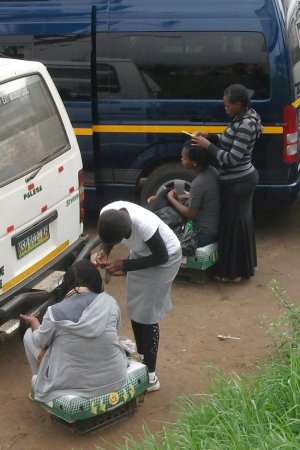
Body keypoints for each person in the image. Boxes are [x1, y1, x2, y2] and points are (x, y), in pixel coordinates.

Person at [96, 201, 182, 392]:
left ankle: (151, 377)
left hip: (166, 259)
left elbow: (162, 257)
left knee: (148, 314)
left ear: (125, 235)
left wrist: (125, 266)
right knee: (136, 309)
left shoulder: (144, 226)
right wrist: (104, 250)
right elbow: (109, 237)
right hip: (142, 254)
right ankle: (143, 360)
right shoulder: (108, 213)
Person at [21, 260, 128, 403]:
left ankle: (37, 384)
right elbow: (114, 332)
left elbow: (40, 341)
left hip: (71, 384)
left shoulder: (54, 312)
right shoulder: (109, 302)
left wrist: (35, 324)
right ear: (96, 280)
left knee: (29, 336)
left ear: (67, 283)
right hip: (115, 377)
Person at [190, 83, 262, 282]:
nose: (226, 109)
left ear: (239, 104)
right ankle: (244, 266)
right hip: (242, 179)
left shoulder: (246, 124)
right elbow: (231, 139)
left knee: (233, 226)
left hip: (238, 182)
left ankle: (233, 273)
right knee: (240, 223)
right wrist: (211, 136)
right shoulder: (247, 116)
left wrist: (209, 146)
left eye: (228, 106)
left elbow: (231, 158)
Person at [166, 142, 220, 248]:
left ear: (194, 163)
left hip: (204, 235)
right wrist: (177, 197)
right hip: (215, 228)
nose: (181, 159)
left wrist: (170, 198)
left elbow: (190, 214)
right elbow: (202, 197)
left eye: (184, 158)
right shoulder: (212, 171)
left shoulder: (198, 183)